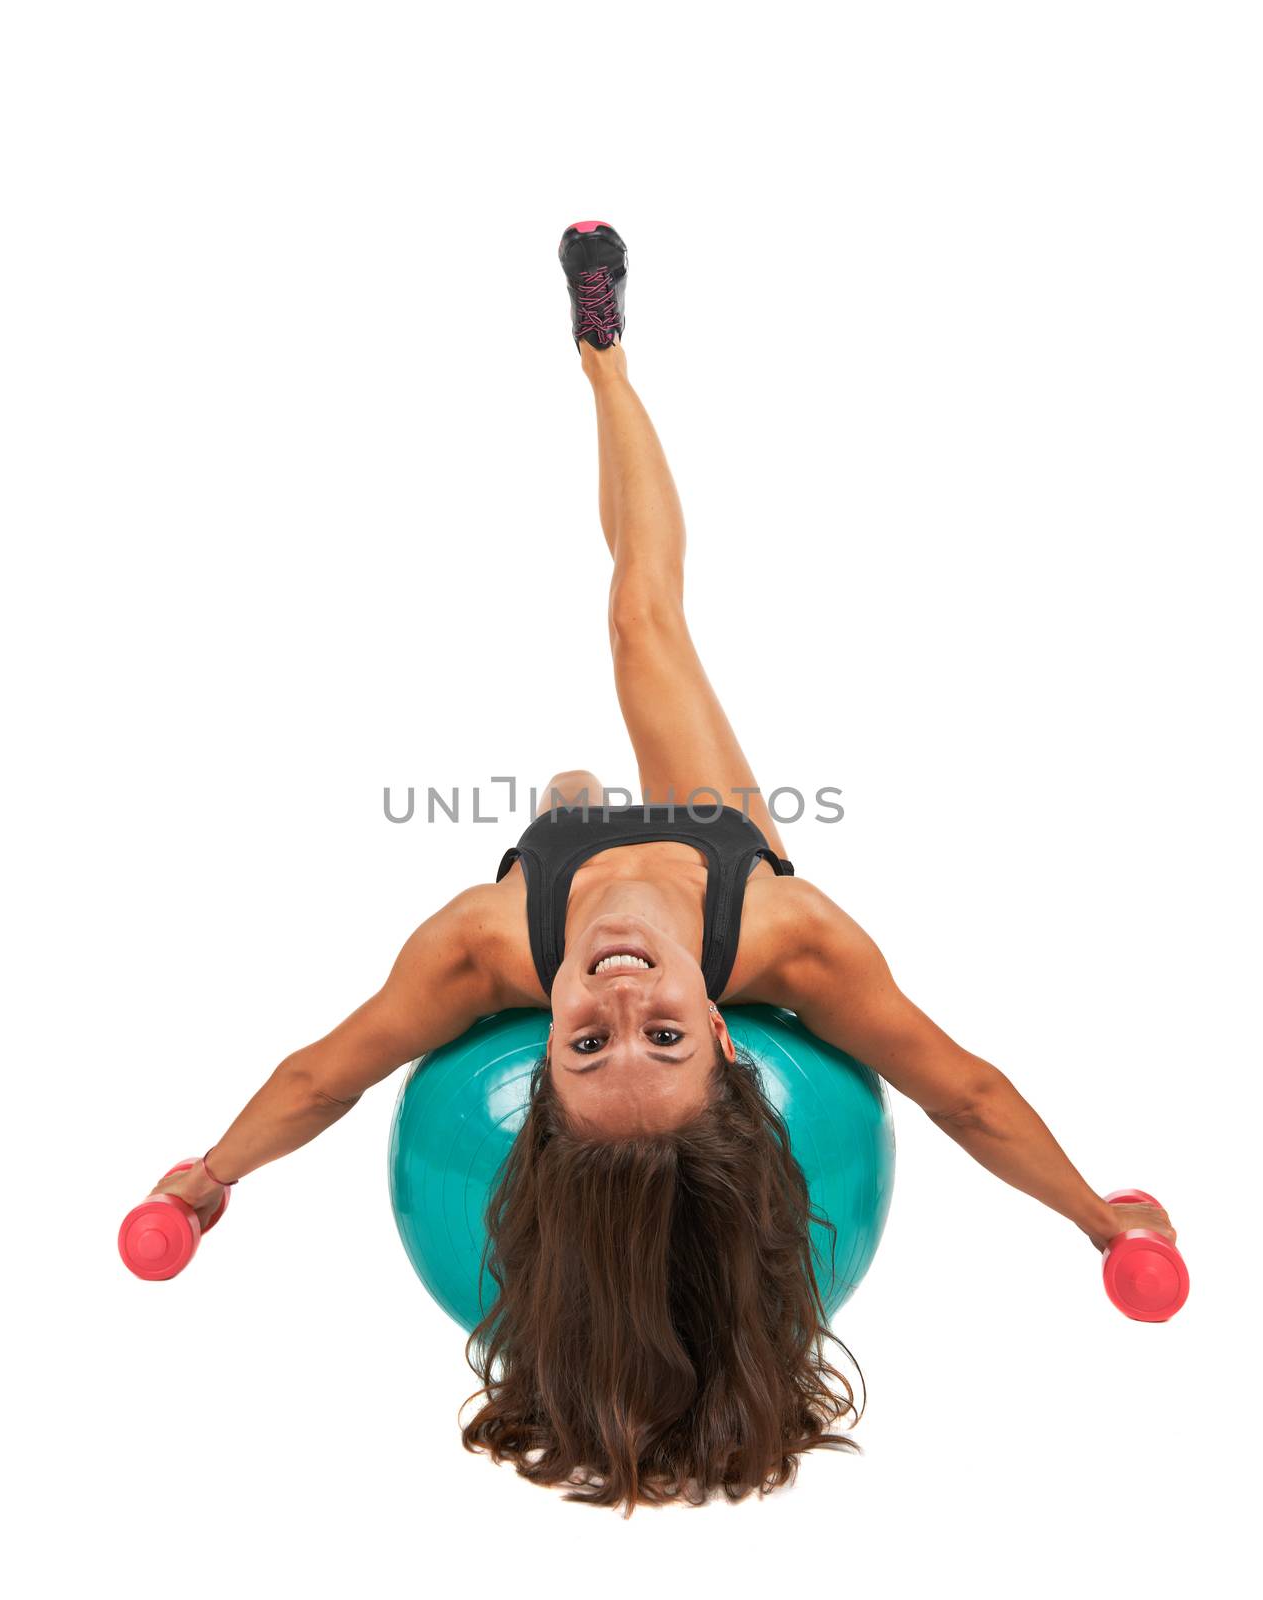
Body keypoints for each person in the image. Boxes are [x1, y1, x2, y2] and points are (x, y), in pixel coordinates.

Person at [144, 222, 1178, 1510]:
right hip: (715, 848)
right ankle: (608, 358)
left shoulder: (479, 950)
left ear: (536, 1055)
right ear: (733, 1041)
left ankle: (573, 773)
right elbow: (962, 1091)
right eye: (666, 1040)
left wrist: (205, 1182)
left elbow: (321, 1075)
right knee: (645, 607)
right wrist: (1099, 1218)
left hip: (553, 874)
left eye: (585, 1046)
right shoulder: (794, 944)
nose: (622, 997)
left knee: (568, 794)